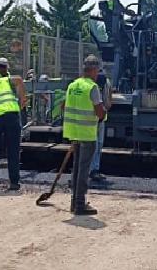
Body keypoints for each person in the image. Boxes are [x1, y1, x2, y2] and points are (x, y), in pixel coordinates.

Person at [63, 55, 106, 215]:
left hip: (74, 133)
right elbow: (99, 112)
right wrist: (104, 113)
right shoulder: (92, 87)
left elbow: (65, 106)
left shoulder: (72, 86)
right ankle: (80, 205)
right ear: (94, 70)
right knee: (83, 170)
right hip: (87, 134)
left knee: (76, 169)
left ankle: (74, 202)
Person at [90, 68, 112, 182]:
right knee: (98, 145)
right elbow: (108, 101)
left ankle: (87, 170)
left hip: (89, 119)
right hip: (101, 117)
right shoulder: (106, 82)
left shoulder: (87, 84)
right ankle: (94, 169)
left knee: (87, 146)